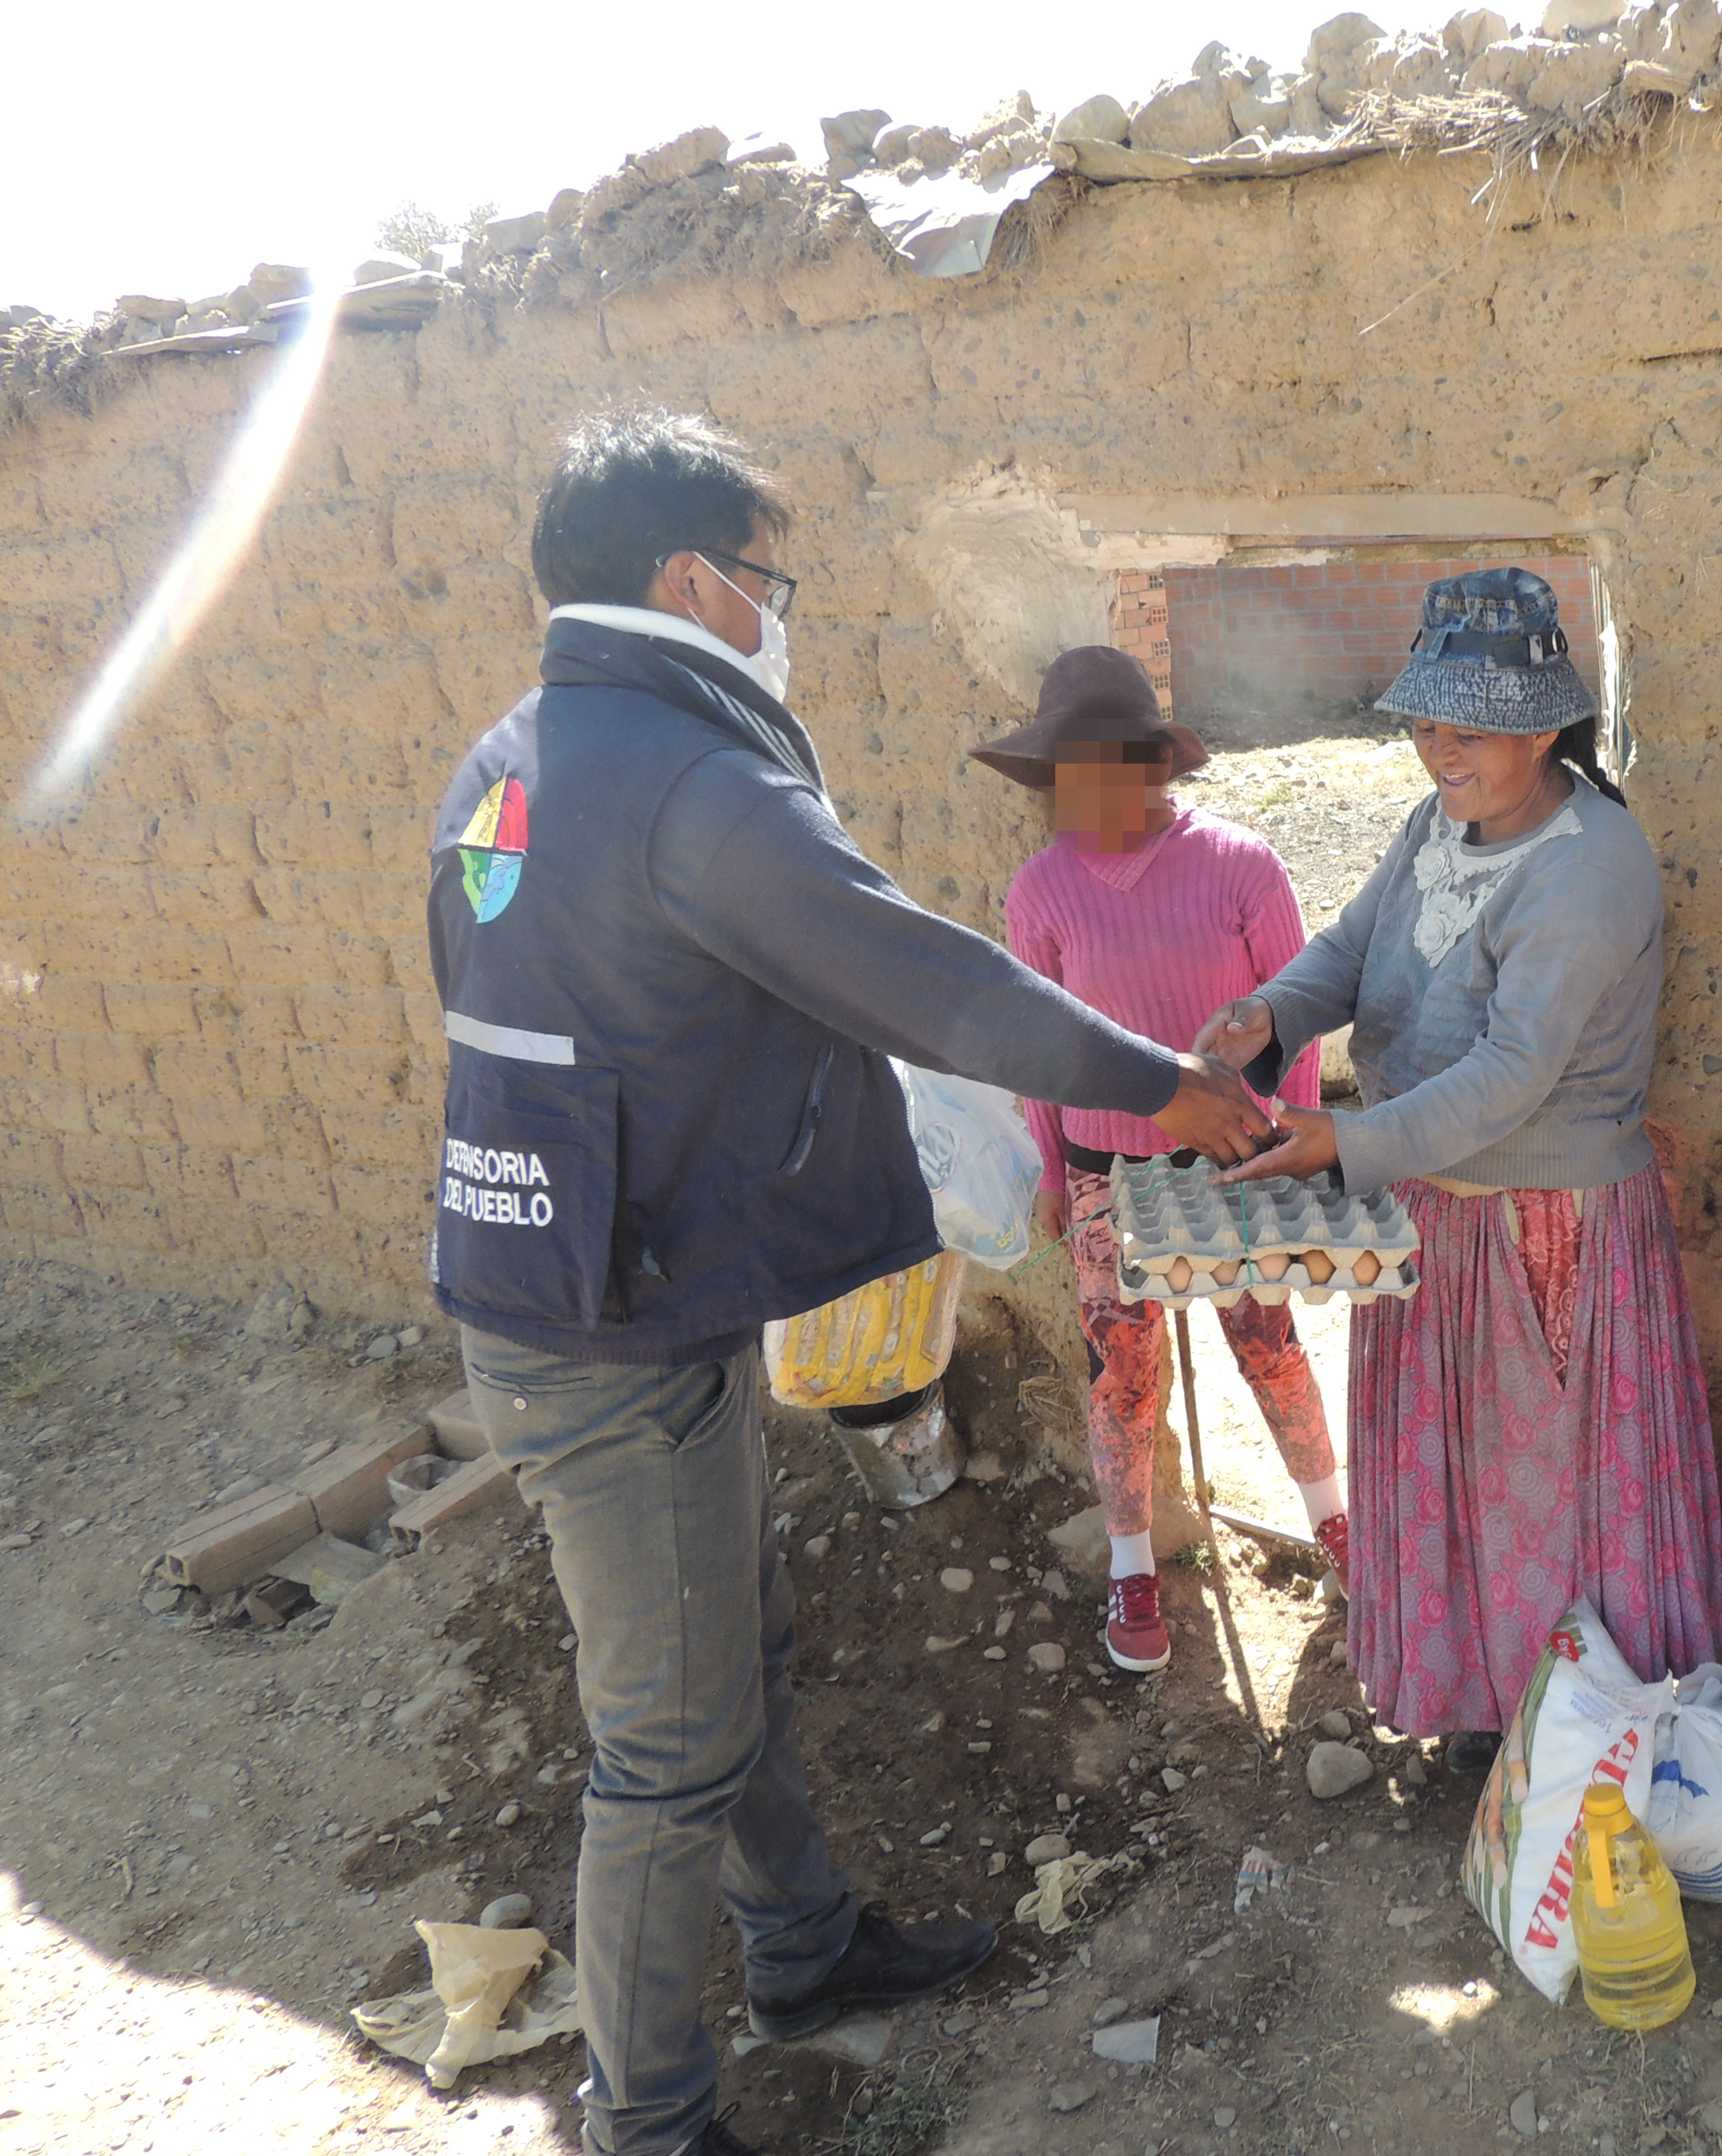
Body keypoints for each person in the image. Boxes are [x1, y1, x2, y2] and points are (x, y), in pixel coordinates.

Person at [426, 409, 1269, 2156]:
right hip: (609, 1324)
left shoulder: (514, 757)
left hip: (596, 1273)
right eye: (767, 575)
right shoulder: (684, 777)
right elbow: (925, 980)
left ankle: (805, 1948)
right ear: (688, 580)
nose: (776, 609)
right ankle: (648, 2121)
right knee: (665, 1746)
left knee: (744, 1645)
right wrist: (1170, 1090)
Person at [1196, 566, 1722, 1777]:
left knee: (1544, 1492)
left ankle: (1583, 1727)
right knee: (1463, 1486)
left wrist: (1347, 1143)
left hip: (1545, 1233)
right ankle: (1486, 1709)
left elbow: (1515, 1072)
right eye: (1427, 723)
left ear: (1544, 726)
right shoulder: (1443, 822)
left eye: (1468, 729)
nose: (1440, 751)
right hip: (1436, 1207)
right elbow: (1351, 945)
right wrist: (1267, 1020)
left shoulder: (1589, 867)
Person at [971, 647, 1347, 1676]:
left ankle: (1335, 1522)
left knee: (1268, 1344)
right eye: (1067, 772)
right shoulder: (1040, 891)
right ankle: (1133, 1566)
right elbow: (1039, 1054)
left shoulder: (1241, 865)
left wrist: (1298, 1141)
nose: (1086, 790)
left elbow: (1299, 1020)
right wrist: (1054, 1172)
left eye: (1109, 766)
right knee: (1123, 1375)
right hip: (1105, 1171)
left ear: (1152, 765)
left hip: (1237, 1161)